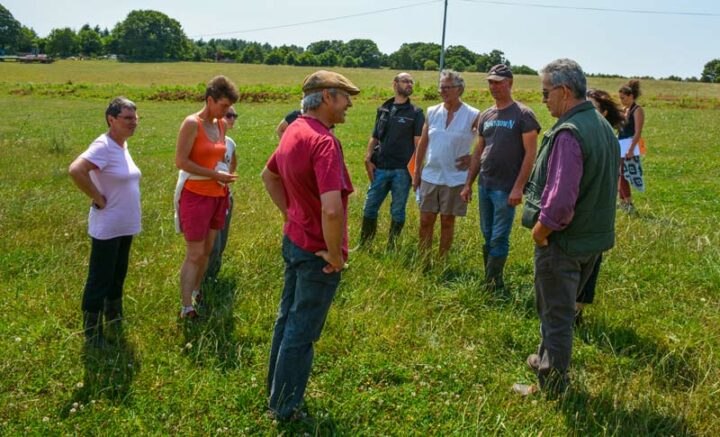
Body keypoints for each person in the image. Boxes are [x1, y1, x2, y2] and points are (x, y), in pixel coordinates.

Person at [514, 59, 619, 395]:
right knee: (560, 308)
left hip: (564, 242)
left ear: (564, 90)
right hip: (593, 240)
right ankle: (546, 358)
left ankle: (551, 387)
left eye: (546, 93)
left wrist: (540, 232)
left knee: (556, 316)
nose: (543, 100)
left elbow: (560, 204)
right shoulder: (601, 125)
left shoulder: (569, 133)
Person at [261, 70, 358, 421]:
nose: (349, 104)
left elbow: (268, 175)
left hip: (295, 241)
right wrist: (334, 255)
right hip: (318, 252)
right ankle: (285, 408)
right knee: (302, 331)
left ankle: (275, 393)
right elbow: (332, 209)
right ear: (327, 97)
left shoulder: (294, 132)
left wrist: (292, 214)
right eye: (345, 96)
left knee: (286, 320)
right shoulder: (324, 142)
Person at [69, 97, 141, 348]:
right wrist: (97, 197)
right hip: (108, 225)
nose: (134, 122)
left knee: (118, 273)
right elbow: (76, 170)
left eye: (135, 117)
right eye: (128, 118)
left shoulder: (121, 145)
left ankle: (114, 315)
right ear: (112, 120)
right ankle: (92, 330)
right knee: (100, 276)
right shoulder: (103, 145)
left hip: (125, 224)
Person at [460, 64, 540, 290]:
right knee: (487, 233)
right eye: (490, 82)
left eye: (498, 82)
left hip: (506, 188)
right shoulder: (486, 114)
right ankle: (490, 278)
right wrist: (468, 184)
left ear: (510, 83)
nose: (493, 86)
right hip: (485, 184)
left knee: (499, 235)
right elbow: (478, 151)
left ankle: (494, 282)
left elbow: (530, 154)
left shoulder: (523, 115)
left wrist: (518, 187)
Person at [175, 76, 239, 319]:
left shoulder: (220, 125)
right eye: (223, 106)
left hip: (218, 194)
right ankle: (185, 307)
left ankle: (197, 290)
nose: (226, 111)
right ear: (210, 100)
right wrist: (213, 174)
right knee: (194, 252)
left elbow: (219, 156)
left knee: (208, 249)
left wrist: (222, 174)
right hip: (196, 194)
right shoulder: (192, 123)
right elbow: (181, 161)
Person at [413, 70, 479, 258]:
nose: (442, 91)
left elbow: (488, 140)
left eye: (447, 87)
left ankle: (442, 261)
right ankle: (423, 259)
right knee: (426, 219)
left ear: (459, 89)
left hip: (455, 177)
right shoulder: (432, 112)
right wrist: (417, 172)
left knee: (447, 221)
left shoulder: (472, 114)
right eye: (441, 87)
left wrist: (474, 156)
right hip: (430, 175)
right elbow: (423, 143)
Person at [575, 89, 625, 324]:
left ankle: (576, 310)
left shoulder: (608, 142)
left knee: (591, 260)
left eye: (592, 108)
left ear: (604, 113)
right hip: (580, 210)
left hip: (596, 210)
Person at [359, 72, 425, 248]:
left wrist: (416, 171)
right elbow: (374, 136)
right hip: (380, 168)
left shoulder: (416, 113)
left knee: (397, 210)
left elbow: (419, 145)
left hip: (402, 171)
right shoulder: (384, 109)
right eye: (405, 81)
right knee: (370, 206)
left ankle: (392, 246)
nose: (409, 84)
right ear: (395, 84)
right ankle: (365, 245)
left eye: (411, 82)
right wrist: (368, 158)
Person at [204, 106, 239, 281]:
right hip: (208, 196)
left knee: (222, 240)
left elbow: (233, 163)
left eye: (234, 116)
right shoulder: (207, 140)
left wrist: (228, 182)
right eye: (228, 115)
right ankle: (204, 282)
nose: (232, 119)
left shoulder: (231, 143)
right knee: (212, 244)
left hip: (225, 195)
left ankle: (213, 278)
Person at [617, 79, 646, 214]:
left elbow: (638, 132)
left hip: (630, 145)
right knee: (619, 174)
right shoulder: (625, 109)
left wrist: (630, 149)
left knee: (623, 174)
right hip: (621, 144)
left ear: (631, 96)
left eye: (623, 98)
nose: (621, 100)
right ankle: (622, 202)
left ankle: (628, 203)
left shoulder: (637, 110)